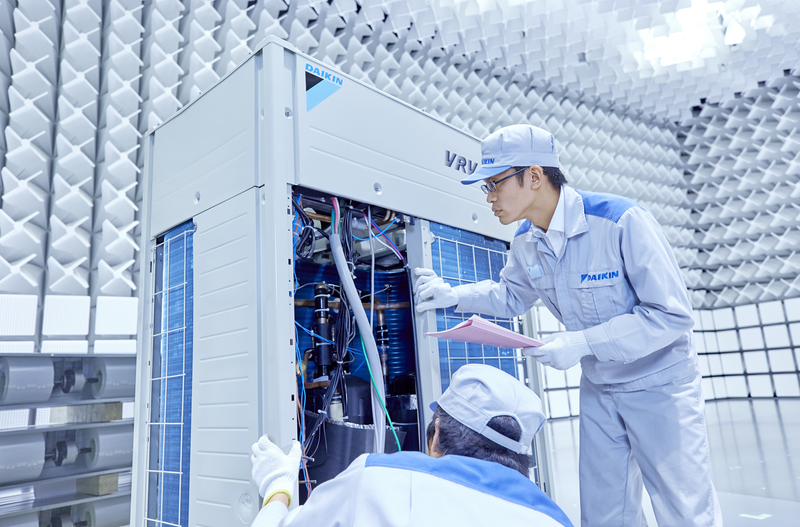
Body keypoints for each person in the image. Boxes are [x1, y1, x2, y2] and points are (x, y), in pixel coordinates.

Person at [414, 124, 722, 526]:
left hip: (660, 385)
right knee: (605, 514)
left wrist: (582, 343)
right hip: (601, 388)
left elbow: (672, 314)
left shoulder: (621, 221)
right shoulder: (526, 240)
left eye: (494, 184)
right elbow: (511, 296)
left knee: (684, 510)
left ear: (534, 176)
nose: (489, 197)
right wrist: (455, 295)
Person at [249, 364, 573, 527]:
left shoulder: (377, 479)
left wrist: (278, 487)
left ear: (437, 433)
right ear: (521, 458)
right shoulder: (557, 521)